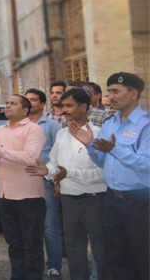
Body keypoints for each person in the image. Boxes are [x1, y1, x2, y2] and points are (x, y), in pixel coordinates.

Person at [26, 88, 112, 280]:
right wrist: (46, 171)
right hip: (68, 200)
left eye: (69, 105)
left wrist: (68, 173)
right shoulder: (63, 134)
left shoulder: (98, 134)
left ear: (83, 107)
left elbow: (102, 172)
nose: (64, 110)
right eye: (63, 106)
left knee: (100, 249)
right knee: (74, 250)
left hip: (94, 199)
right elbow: (54, 163)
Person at [71, 72, 149, 280]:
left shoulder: (146, 125)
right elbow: (103, 162)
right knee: (116, 256)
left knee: (143, 257)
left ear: (133, 94)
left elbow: (146, 164)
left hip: (140, 202)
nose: (111, 96)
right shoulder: (110, 123)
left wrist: (115, 149)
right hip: (112, 200)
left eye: (116, 91)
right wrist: (89, 145)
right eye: (109, 91)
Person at [0, 95, 46, 280]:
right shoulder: (0, 130)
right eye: (7, 103)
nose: (8, 106)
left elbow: (31, 158)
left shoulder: (34, 130)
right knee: (14, 244)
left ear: (25, 110)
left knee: (31, 244)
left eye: (13, 103)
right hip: (5, 196)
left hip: (29, 197)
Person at [25, 89, 62, 279]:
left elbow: (59, 156)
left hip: (46, 182)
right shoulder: (17, 125)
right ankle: (34, 266)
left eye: (34, 100)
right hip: (23, 183)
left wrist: (57, 183)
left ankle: (54, 266)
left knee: (49, 226)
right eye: (27, 100)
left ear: (42, 104)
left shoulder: (52, 126)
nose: (30, 103)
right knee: (30, 228)